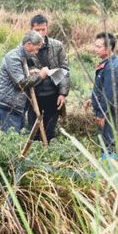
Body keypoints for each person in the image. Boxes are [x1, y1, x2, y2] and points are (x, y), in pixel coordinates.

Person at [26, 14, 70, 142]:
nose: (40, 33)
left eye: (43, 29)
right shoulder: (27, 48)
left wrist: (62, 93)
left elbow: (65, 70)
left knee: (50, 129)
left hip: (53, 94)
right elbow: (25, 73)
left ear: (47, 28)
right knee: (34, 131)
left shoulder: (57, 46)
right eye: (37, 30)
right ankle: (35, 155)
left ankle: (49, 156)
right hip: (35, 95)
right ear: (31, 29)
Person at [0, 31, 50, 133]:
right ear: (29, 44)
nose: (37, 51)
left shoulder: (23, 57)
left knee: (17, 139)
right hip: (9, 106)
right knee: (11, 140)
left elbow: (20, 74)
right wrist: (40, 76)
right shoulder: (13, 57)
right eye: (37, 48)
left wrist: (30, 72)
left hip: (18, 106)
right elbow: (21, 83)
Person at [86, 32, 118, 158]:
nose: (95, 49)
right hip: (106, 109)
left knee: (108, 140)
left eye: (99, 47)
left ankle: (110, 168)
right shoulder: (107, 63)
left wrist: (101, 114)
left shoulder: (111, 68)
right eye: (95, 46)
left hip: (109, 110)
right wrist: (92, 100)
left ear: (108, 49)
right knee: (106, 138)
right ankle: (108, 165)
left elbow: (109, 94)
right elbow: (101, 88)